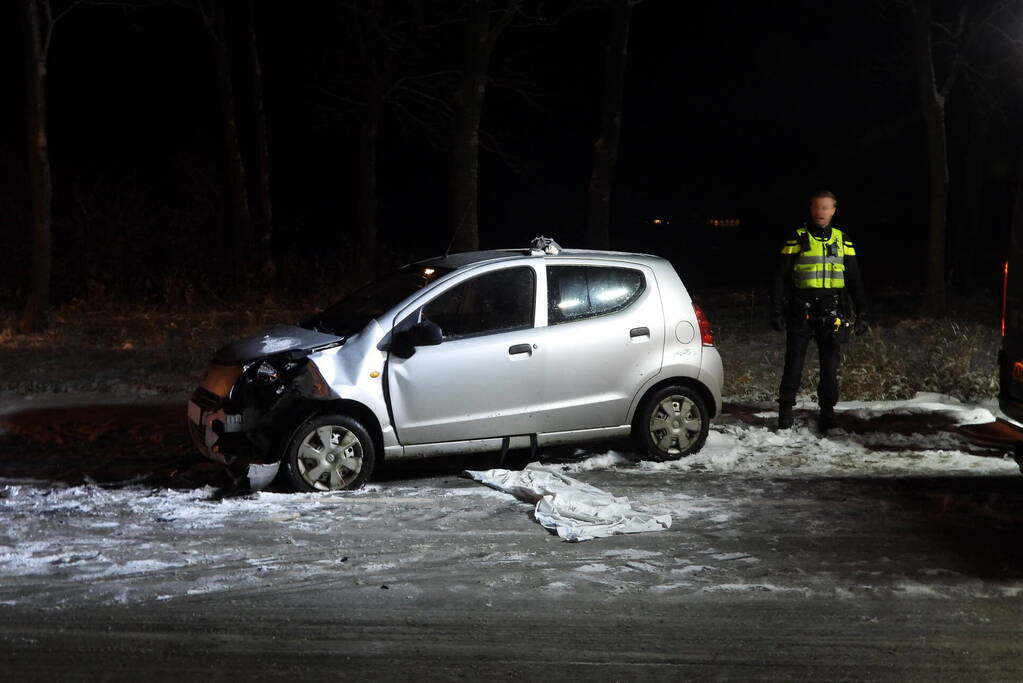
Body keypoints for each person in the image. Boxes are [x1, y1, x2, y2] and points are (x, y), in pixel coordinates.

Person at [770, 190, 869, 432]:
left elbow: (854, 278)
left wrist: (863, 312)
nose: (820, 212)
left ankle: (827, 414)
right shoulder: (797, 237)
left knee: (829, 366)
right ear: (810, 209)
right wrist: (775, 311)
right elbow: (779, 277)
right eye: (816, 207)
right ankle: (785, 412)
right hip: (801, 310)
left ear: (834, 210)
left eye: (825, 207)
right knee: (794, 362)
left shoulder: (843, 240)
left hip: (832, 311)